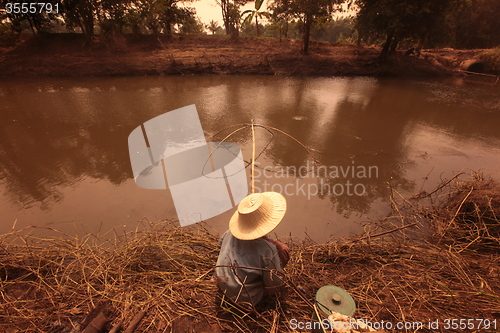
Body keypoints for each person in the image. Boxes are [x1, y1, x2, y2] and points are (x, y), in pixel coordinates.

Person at [214, 192, 290, 308]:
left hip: (221, 286)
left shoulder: (229, 233)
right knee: (282, 250)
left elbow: (219, 247)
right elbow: (275, 283)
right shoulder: (268, 250)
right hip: (244, 299)